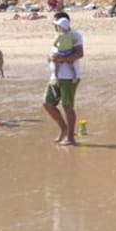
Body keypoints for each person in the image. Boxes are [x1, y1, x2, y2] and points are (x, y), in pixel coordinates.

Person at [43, 11, 83, 146]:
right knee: (47, 103)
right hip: (55, 76)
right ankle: (64, 128)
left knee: (67, 106)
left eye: (55, 22)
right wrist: (50, 58)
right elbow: (52, 54)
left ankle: (71, 137)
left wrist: (63, 59)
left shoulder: (75, 35)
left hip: (69, 77)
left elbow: (79, 53)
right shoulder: (57, 36)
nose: (53, 25)